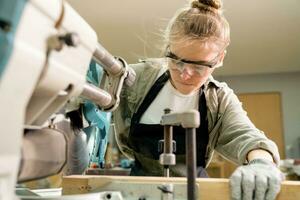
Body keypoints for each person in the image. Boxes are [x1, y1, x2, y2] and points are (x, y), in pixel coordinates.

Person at [112, 0, 284, 199]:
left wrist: (261, 163)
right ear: (169, 47)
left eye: (199, 67)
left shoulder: (219, 99)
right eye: (176, 61)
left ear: (219, 59)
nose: (185, 74)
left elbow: (248, 137)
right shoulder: (135, 79)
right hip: (138, 190)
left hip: (195, 192)